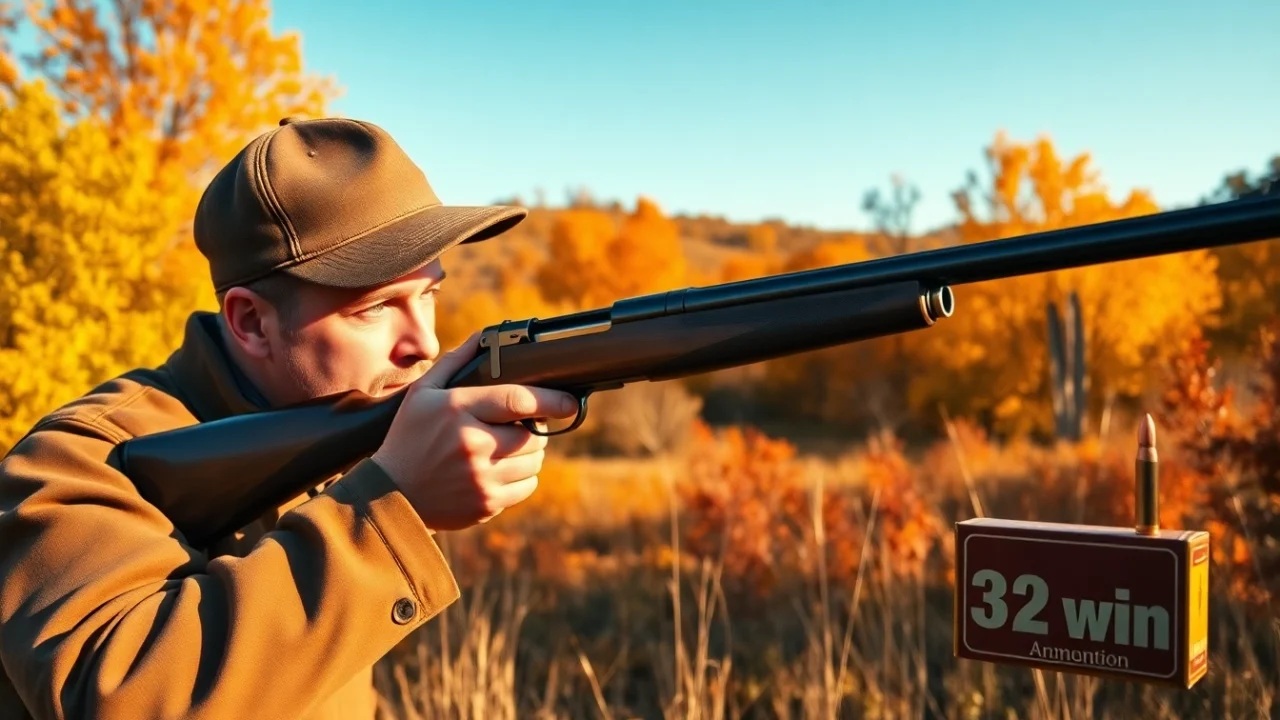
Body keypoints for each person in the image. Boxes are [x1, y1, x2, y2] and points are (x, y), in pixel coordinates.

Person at [0, 116, 579, 720]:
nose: (425, 344)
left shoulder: (333, 434)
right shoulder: (82, 458)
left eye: (429, 295)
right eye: (376, 307)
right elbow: (122, 700)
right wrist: (391, 511)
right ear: (251, 322)